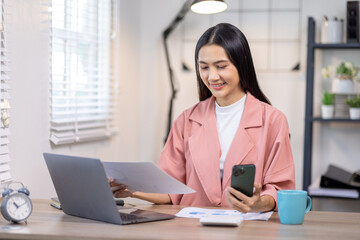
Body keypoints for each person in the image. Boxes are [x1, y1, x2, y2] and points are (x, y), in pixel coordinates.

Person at [110, 23, 295, 213]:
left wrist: (259, 203)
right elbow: (170, 190)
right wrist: (131, 190)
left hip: (248, 229)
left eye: (221, 66)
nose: (212, 77)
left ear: (242, 63)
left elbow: (280, 189)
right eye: (204, 67)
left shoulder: (273, 120)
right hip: (193, 229)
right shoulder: (186, 120)